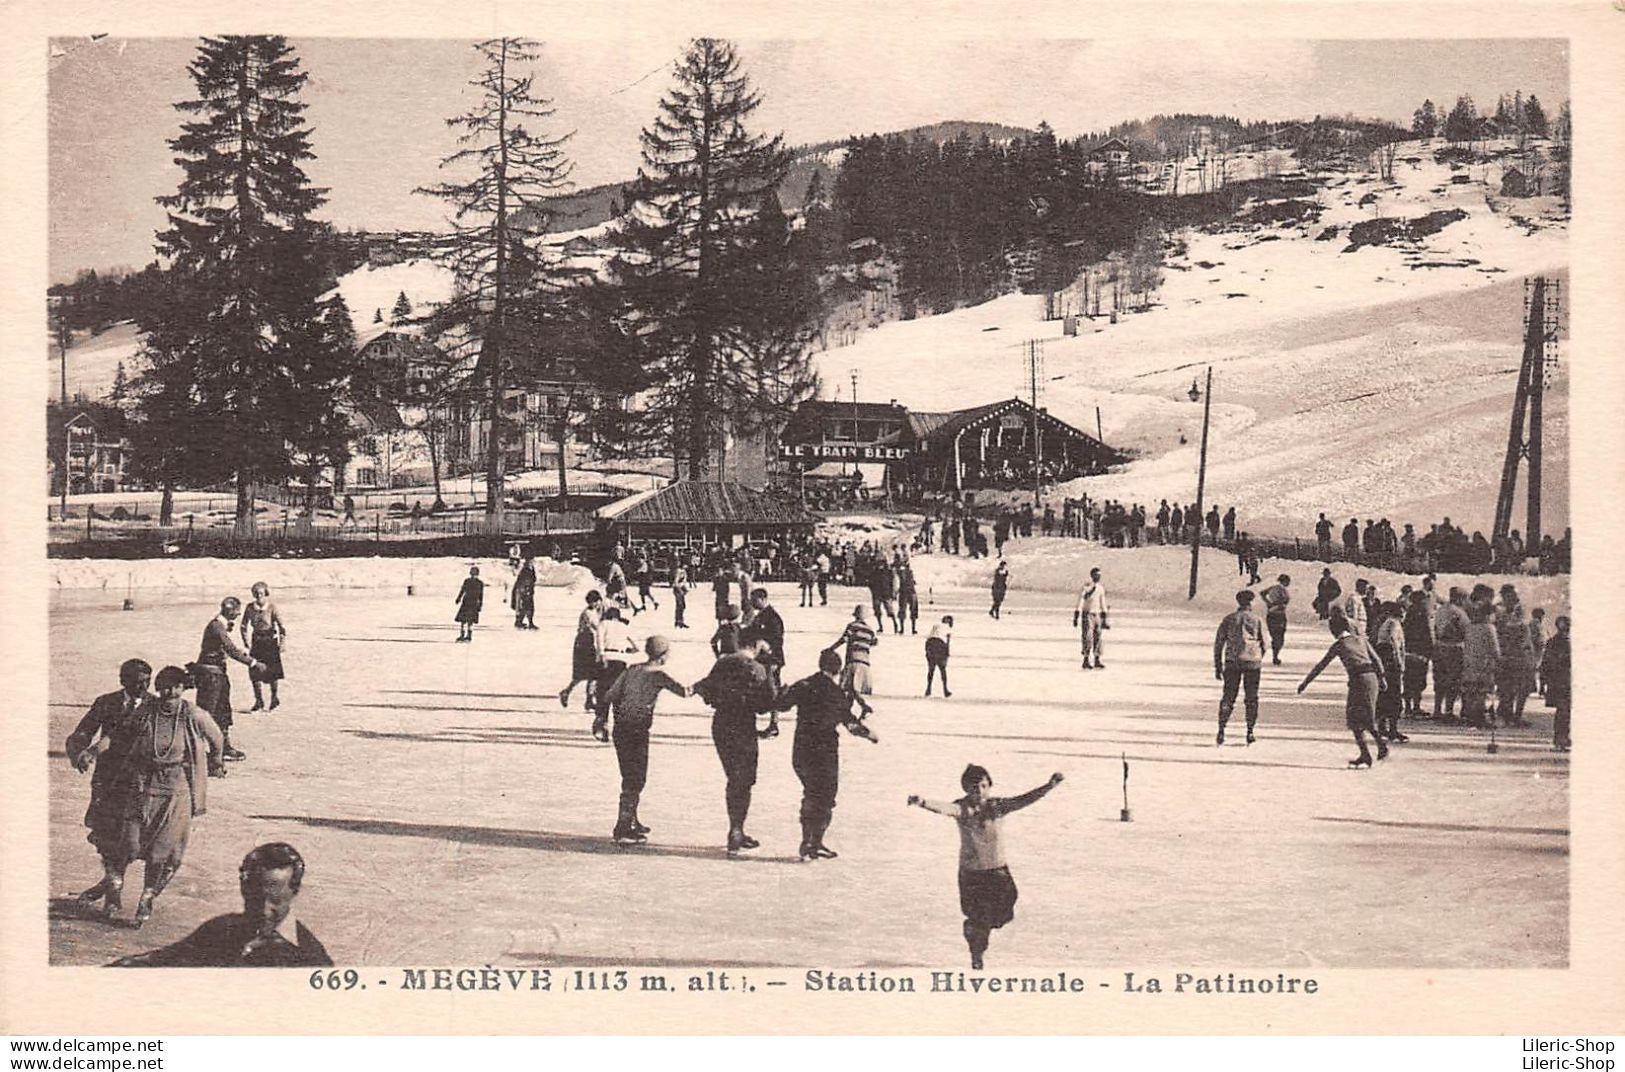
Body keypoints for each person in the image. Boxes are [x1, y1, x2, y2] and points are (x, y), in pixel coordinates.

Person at [100, 665, 226, 927]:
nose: (170, 692)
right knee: (128, 845)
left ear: (183, 688)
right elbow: (119, 735)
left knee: (162, 852)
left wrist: (215, 760)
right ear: (158, 688)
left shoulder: (191, 713)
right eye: (165, 686)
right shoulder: (146, 711)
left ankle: (147, 896)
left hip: (175, 792)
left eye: (176, 686)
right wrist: (94, 749)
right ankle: (113, 895)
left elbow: (217, 737)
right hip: (142, 787)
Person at [908, 767, 1065, 970]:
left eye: (983, 786)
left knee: (1004, 912)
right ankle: (976, 952)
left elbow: (1023, 800)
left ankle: (976, 929)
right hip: (972, 874)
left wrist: (1048, 786)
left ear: (989, 786)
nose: (979, 791)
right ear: (966, 789)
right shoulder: (963, 808)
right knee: (978, 917)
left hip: (998, 870)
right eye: (974, 787)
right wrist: (923, 802)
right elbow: (946, 808)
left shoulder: (996, 806)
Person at [110, 843, 331, 967]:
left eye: (274, 901)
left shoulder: (309, 958)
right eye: (255, 899)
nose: (264, 910)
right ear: (243, 890)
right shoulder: (221, 929)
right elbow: (164, 960)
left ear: (295, 891)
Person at [63, 659, 156, 912]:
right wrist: (80, 752)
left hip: (139, 783)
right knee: (106, 835)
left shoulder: (155, 706)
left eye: (147, 681)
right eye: (137, 682)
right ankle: (113, 888)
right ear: (123, 681)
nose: (143, 687)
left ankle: (111, 885)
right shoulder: (106, 702)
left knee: (131, 840)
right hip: (107, 781)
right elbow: (83, 732)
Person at [773, 649, 878, 861]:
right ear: (838, 670)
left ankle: (807, 840)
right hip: (824, 752)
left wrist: (781, 689)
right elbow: (850, 724)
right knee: (826, 797)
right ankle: (816, 841)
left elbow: (781, 705)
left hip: (801, 748)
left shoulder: (804, 684)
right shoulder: (836, 693)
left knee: (810, 793)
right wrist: (869, 735)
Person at [594, 635, 691, 844]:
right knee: (636, 779)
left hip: (621, 729)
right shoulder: (659, 676)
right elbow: (685, 692)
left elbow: (609, 696)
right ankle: (622, 826)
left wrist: (601, 720)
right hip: (637, 731)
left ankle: (632, 820)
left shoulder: (631, 670)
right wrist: (709, 683)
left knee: (630, 775)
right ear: (662, 655)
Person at [692, 636, 777, 854]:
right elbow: (766, 705)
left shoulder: (722, 663)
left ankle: (737, 829)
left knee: (734, 778)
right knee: (744, 780)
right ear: (757, 645)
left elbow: (705, 692)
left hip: (721, 724)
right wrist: (770, 674)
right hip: (743, 725)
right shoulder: (757, 668)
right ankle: (736, 830)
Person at [1298, 610, 1390, 769]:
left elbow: (1321, 666)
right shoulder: (1361, 640)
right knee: (1366, 716)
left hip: (1358, 680)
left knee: (1355, 719)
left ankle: (1373, 750)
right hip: (1371, 678)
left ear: (1334, 630)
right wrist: (1382, 678)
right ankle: (1374, 749)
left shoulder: (1339, 645)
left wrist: (1305, 683)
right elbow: (1376, 659)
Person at [191, 597, 263, 763]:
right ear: (230, 611)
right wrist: (253, 663)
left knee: (223, 711)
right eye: (236, 612)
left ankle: (224, 747)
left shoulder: (219, 625)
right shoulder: (216, 627)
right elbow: (231, 649)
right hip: (211, 676)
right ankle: (198, 750)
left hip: (218, 674)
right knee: (207, 713)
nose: (238, 615)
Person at [1213, 590, 1268, 745]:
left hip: (1232, 661)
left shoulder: (1229, 619)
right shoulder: (1257, 619)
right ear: (1250, 602)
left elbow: (1219, 644)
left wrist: (1218, 665)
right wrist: (1257, 655)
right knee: (1251, 697)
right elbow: (1265, 643)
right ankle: (1250, 731)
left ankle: (1221, 729)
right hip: (1252, 662)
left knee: (1228, 696)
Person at [238, 582, 288, 711]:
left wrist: (282, 643)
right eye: (256, 594)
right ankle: (258, 700)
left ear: (266, 594)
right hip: (257, 641)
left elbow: (282, 627)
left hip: (270, 642)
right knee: (254, 671)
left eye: (261, 594)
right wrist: (246, 641)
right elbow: (243, 625)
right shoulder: (249, 608)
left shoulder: (272, 607)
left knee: (273, 672)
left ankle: (274, 698)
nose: (259, 597)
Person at [593, 606, 639, 726]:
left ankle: (602, 721)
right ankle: (619, 721)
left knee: (603, 691)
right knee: (618, 692)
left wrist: (601, 655)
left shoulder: (603, 624)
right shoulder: (624, 627)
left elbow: (599, 641)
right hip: (620, 660)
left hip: (606, 659)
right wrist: (627, 650)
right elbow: (636, 646)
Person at [1495, 593, 1536, 727]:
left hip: (1507, 659)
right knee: (1521, 690)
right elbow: (1526, 644)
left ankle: (1507, 714)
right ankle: (1516, 716)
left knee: (1508, 689)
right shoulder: (1523, 627)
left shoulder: (1502, 624)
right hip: (1521, 660)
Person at [559, 591, 604, 710]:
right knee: (582, 674)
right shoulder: (588, 613)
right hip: (584, 644)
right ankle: (566, 692)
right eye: (596, 602)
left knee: (593, 674)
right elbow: (597, 627)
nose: (598, 604)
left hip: (589, 643)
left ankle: (589, 700)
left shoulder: (594, 612)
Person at [1460, 602, 1501, 730]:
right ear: (1489, 615)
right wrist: (1499, 661)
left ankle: (1470, 716)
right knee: (1483, 692)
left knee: (1471, 690)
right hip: (1485, 663)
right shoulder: (1489, 628)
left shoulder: (1470, 627)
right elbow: (1494, 648)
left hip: (1469, 662)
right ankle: (1480, 718)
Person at [1372, 602, 1409, 743]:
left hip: (1384, 659)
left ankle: (1383, 728)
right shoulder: (1394, 623)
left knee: (1385, 694)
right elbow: (1393, 640)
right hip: (1390, 660)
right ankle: (1392, 729)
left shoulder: (1387, 622)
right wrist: (1399, 660)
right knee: (1394, 694)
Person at [1432, 587, 1470, 722]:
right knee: (1453, 680)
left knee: (1439, 680)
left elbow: (1435, 628)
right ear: (1460, 598)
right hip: (1454, 648)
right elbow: (1466, 631)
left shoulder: (1441, 610)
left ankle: (1437, 709)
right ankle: (1448, 710)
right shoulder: (1459, 612)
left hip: (1438, 647)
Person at [830, 606, 880, 696]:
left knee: (849, 690)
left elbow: (844, 639)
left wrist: (831, 649)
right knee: (855, 691)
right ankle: (856, 707)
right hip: (865, 662)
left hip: (852, 660)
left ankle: (862, 706)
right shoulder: (870, 629)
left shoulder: (852, 626)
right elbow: (874, 642)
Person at [1402, 589, 1435, 719]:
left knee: (1408, 680)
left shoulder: (1409, 612)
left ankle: (1409, 707)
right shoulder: (1423, 613)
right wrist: (1431, 650)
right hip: (1420, 651)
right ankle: (1415, 707)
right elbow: (1428, 632)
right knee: (1419, 680)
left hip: (1409, 651)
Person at [1541, 616, 1571, 751]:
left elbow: (1545, 663)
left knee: (1562, 711)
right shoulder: (1570, 643)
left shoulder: (1551, 642)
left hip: (1556, 681)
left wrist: (1543, 682)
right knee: (1564, 711)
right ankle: (1562, 738)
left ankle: (1560, 738)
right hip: (1565, 680)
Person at [1073, 567, 1109, 670]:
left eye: (1099, 575)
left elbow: (1103, 603)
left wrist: (1104, 617)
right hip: (1087, 614)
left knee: (1098, 636)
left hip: (1097, 614)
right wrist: (1076, 614)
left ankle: (1097, 658)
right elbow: (1081, 600)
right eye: (1096, 575)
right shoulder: (1086, 587)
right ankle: (1086, 659)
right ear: (1092, 575)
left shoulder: (1100, 588)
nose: (1098, 577)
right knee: (1087, 637)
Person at [1260, 574, 1291, 665]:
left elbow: (1262, 593)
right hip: (1278, 615)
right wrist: (1274, 604)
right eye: (1288, 581)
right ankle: (1275, 656)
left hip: (1272, 614)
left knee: (1275, 637)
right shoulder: (1281, 590)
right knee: (1279, 637)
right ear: (1284, 581)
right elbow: (1281, 601)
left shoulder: (1274, 587)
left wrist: (1268, 603)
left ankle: (1273, 655)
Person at [925, 616, 954, 698]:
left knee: (931, 669)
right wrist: (947, 654)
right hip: (940, 644)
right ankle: (945, 690)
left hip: (929, 643)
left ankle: (928, 689)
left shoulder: (936, 625)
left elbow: (931, 635)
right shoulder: (948, 628)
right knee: (942, 669)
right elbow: (947, 642)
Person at [454, 565, 484, 642]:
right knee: (466, 620)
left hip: (468, 602)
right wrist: (459, 598)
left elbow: (480, 595)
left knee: (466, 620)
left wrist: (458, 598)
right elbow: (463, 590)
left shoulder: (470, 581)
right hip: (470, 602)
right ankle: (466, 635)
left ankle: (466, 635)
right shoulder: (478, 582)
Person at [511, 556, 537, 629]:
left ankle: (530, 622)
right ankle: (519, 622)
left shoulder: (531, 569)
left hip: (529, 591)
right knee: (523, 607)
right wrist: (525, 590)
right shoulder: (525, 570)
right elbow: (523, 581)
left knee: (529, 607)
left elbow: (533, 580)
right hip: (524, 591)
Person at [896, 555, 920, 635]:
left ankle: (905, 629)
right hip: (909, 591)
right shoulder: (904, 571)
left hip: (907, 592)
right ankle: (909, 628)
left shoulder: (903, 571)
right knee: (909, 610)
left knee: (906, 610)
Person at [671, 563, 691, 629]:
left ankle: (680, 620)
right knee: (680, 605)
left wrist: (685, 589)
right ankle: (678, 621)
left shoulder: (684, 571)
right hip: (677, 589)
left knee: (682, 606)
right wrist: (680, 590)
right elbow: (675, 582)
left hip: (681, 589)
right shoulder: (678, 571)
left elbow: (684, 582)